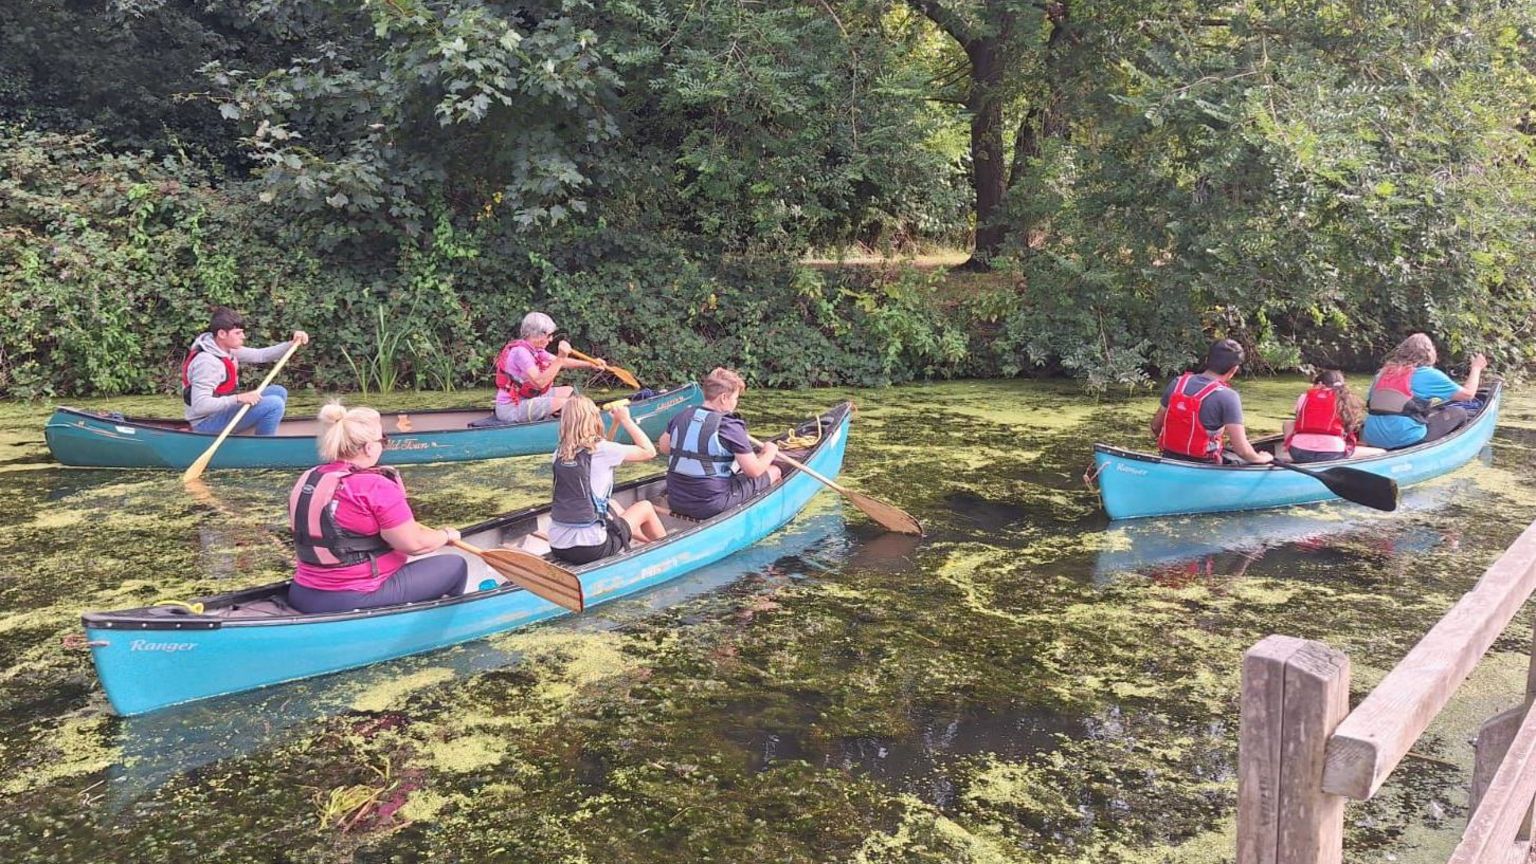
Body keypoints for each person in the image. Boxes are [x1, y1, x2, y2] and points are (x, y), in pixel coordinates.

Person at [287, 402, 468, 614]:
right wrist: (445, 536)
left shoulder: (310, 477)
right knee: (455, 566)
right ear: (369, 447)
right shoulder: (375, 485)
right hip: (352, 596)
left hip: (301, 593)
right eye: (384, 439)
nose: (384, 444)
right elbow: (413, 545)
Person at [548, 397, 667, 565]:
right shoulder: (602, 451)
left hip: (558, 545)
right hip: (591, 549)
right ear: (593, 418)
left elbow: (605, 448)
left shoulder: (559, 453)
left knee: (612, 504)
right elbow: (648, 451)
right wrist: (626, 420)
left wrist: (615, 424)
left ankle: (640, 540)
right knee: (645, 507)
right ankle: (669, 552)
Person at [658, 367, 782, 519]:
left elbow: (664, 447)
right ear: (724, 397)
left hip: (676, 500)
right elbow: (754, 471)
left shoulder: (682, 415)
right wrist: (770, 451)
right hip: (712, 505)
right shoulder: (729, 425)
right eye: (735, 398)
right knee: (774, 470)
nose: (735, 403)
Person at [183, 306, 309, 435]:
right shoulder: (207, 363)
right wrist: (238, 398)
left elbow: (261, 355)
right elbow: (201, 406)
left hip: (222, 412)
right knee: (275, 403)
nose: (243, 336)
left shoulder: (225, 349)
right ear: (222, 334)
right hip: (206, 423)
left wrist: (291, 344)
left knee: (278, 391)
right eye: (238, 333)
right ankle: (264, 448)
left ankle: (256, 434)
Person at [1150, 339, 1274, 465]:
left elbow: (1155, 426)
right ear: (1234, 369)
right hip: (1205, 464)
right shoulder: (1228, 397)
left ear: (1207, 360)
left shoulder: (1177, 383)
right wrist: (1262, 458)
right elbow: (1241, 450)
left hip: (1169, 459)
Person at [1362, 333, 1487, 449]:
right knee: (1459, 412)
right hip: (1406, 439)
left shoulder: (1383, 373)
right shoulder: (1428, 374)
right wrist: (1476, 368)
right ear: (1430, 353)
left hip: (1372, 438)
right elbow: (1468, 395)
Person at [493, 312, 608, 424]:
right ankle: (577, 425)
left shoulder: (535, 350)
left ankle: (574, 419)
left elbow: (562, 362)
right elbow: (540, 382)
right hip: (512, 408)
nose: (551, 339)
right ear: (537, 334)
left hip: (526, 398)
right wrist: (561, 357)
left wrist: (590, 364)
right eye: (549, 335)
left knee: (569, 391)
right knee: (568, 404)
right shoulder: (521, 353)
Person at [1281, 370, 1386, 463]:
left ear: (1320, 384)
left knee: (1288, 423)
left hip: (1298, 452)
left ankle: (1286, 454)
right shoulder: (1345, 400)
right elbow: (1350, 428)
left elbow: (1301, 419)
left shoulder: (1304, 397)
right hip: (1331, 453)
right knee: (1381, 452)